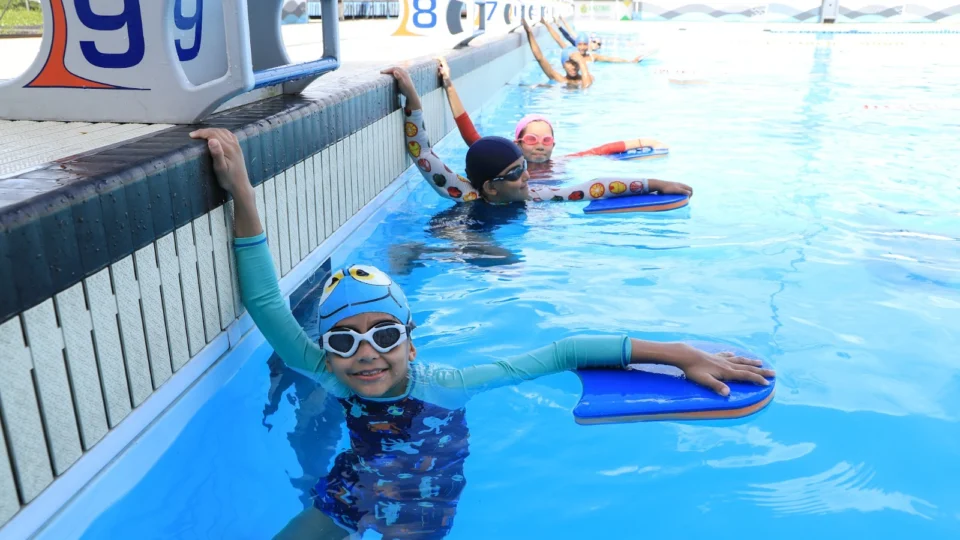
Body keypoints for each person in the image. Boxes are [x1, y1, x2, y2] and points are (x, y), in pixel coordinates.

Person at [189, 127, 774, 540]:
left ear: (411, 342)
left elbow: (563, 350)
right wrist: (241, 189)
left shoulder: (448, 383)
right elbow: (266, 304)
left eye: (384, 336)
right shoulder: (331, 376)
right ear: (328, 352)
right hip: (355, 481)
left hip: (425, 501)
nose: (365, 355)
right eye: (341, 342)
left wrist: (681, 354)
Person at [386, 65, 691, 204]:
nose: (527, 176)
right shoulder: (463, 194)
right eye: (517, 173)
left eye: (522, 167)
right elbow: (423, 154)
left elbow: (595, 187)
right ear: (491, 188)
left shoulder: (535, 196)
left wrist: (657, 183)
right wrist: (413, 100)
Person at [437, 57, 668, 180]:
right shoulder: (507, 165)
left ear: (553, 145)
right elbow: (472, 138)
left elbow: (600, 150)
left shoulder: (560, 163)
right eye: (532, 140)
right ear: (517, 143)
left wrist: (644, 141)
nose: (539, 145)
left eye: (546, 141)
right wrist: (448, 84)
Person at [521, 17, 593, 88]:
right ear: (563, 65)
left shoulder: (589, 77)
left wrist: (581, 61)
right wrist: (529, 32)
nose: (573, 67)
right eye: (569, 63)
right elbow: (540, 58)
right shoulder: (559, 79)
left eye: (575, 63)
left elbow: (586, 87)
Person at [541, 16, 644, 63]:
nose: (582, 47)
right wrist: (546, 24)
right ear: (576, 45)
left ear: (588, 45)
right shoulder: (571, 53)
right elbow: (559, 39)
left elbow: (611, 59)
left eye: (584, 44)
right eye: (579, 44)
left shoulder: (593, 57)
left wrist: (630, 61)